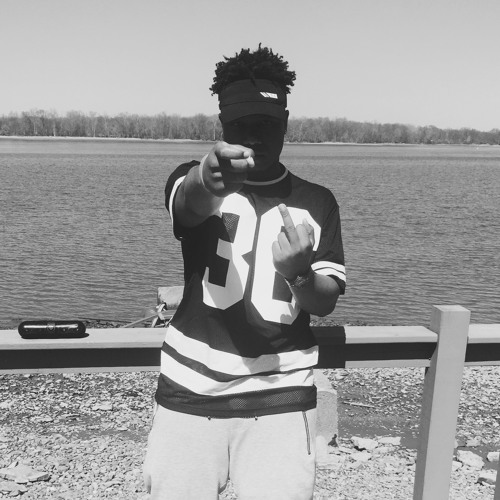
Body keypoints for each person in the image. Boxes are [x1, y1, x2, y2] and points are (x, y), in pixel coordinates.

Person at [143, 45, 346, 500]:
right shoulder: (192, 179)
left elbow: (325, 300)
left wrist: (299, 274)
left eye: (267, 125)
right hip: (189, 389)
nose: (254, 137)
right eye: (241, 125)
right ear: (222, 124)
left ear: (286, 122)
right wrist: (207, 176)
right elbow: (189, 202)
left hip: (281, 394)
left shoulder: (318, 202)